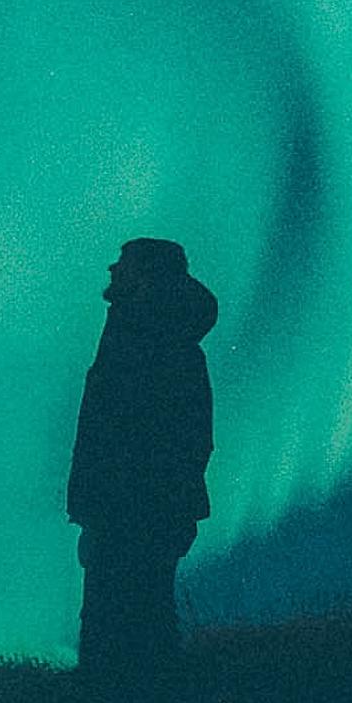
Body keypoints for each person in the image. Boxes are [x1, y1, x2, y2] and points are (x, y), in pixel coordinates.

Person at [66, 236, 216, 680]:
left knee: (128, 623)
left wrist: (108, 502)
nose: (112, 269)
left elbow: (166, 436)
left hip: (135, 510)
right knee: (133, 622)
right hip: (129, 509)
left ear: (148, 275)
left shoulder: (153, 344)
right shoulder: (143, 336)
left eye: (124, 262)